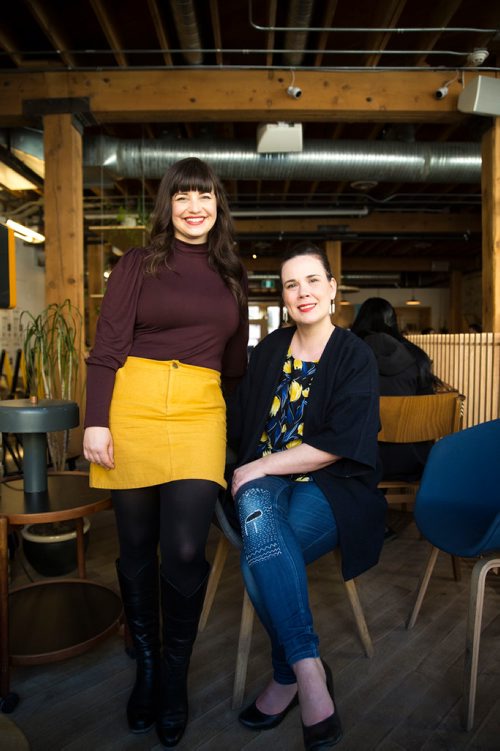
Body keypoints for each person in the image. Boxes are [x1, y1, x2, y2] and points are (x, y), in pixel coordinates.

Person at [83, 157, 248, 747]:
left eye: (204, 196)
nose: (194, 207)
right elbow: (106, 348)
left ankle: (174, 676)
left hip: (202, 411)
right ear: (168, 206)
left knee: (183, 548)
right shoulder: (137, 263)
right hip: (133, 405)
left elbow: (235, 369)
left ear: (217, 205)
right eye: (182, 197)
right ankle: (148, 666)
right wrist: (95, 421)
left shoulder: (232, 275)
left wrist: (242, 443)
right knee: (134, 545)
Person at [227, 242, 386, 750]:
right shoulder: (270, 349)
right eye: (292, 284)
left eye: (313, 280)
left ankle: (288, 675)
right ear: (285, 297)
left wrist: (259, 466)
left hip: (330, 483)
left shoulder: (355, 355)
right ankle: (310, 669)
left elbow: (338, 446)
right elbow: (239, 419)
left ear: (334, 289)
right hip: (266, 480)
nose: (303, 292)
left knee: (259, 559)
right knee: (257, 515)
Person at [351, 297, 441, 484]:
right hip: (416, 459)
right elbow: (427, 407)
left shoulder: (349, 355)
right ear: (392, 321)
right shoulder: (417, 356)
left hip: (361, 461)